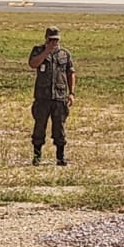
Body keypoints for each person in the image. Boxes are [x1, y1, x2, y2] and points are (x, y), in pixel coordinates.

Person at [28, 25, 76, 165]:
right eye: (51, 40)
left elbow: (71, 73)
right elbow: (32, 64)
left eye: (56, 40)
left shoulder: (64, 54)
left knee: (59, 128)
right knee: (39, 127)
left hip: (59, 97)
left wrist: (71, 93)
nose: (54, 43)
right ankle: (37, 156)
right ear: (46, 39)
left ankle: (60, 157)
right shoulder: (38, 50)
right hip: (43, 97)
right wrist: (46, 51)